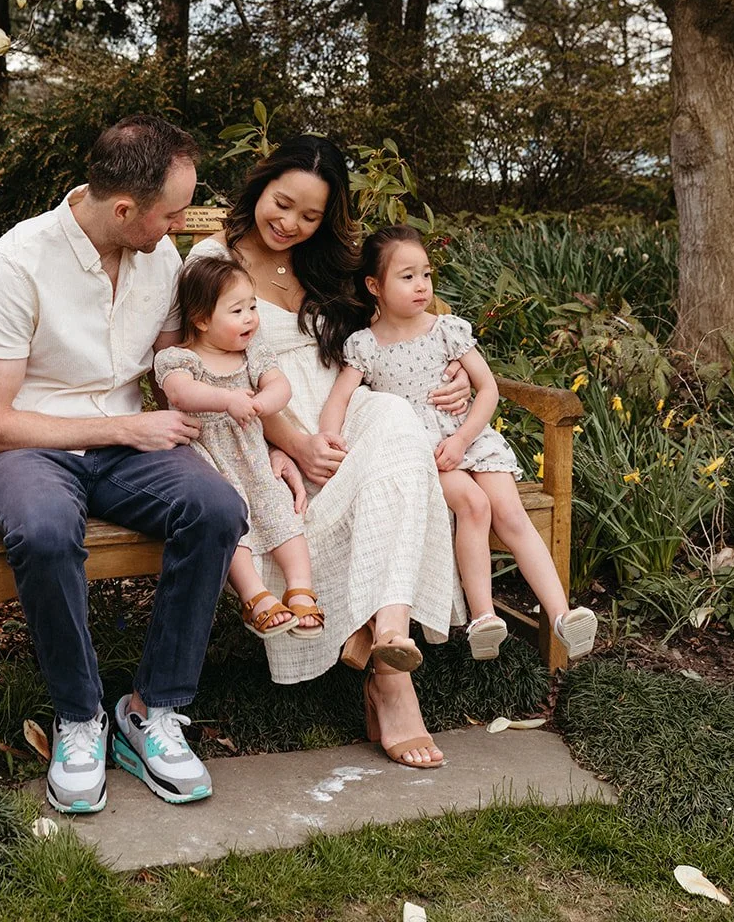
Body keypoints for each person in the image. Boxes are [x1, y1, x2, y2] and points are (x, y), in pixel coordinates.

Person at [0, 115, 248, 815]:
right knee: (46, 531)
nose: (179, 229)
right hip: (28, 446)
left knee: (217, 509)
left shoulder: (159, 258)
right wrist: (124, 424)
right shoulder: (20, 260)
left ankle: (150, 710)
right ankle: (79, 716)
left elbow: (176, 361)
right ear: (125, 210)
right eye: (172, 215)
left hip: (128, 448)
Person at [186, 136, 471, 770]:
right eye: (281, 204)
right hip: (263, 427)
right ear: (260, 187)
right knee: (359, 472)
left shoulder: (332, 265)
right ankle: (387, 676)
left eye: (310, 216)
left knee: (396, 419)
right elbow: (193, 368)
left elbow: (404, 333)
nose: (290, 224)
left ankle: (389, 636)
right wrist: (286, 442)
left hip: (344, 411)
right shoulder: (213, 260)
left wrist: (451, 376)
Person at [322, 226, 598, 663]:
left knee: (510, 512)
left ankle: (563, 615)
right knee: (474, 505)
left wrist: (463, 437)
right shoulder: (366, 345)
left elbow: (487, 389)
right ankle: (484, 618)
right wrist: (332, 441)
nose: (421, 286)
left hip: (468, 437)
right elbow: (338, 400)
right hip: (423, 452)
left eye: (426, 275)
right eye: (407, 276)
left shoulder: (446, 330)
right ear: (374, 286)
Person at [154, 255, 324, 642]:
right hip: (208, 461)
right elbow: (180, 391)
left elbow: (280, 385)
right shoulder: (179, 358)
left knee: (280, 511)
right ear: (200, 319)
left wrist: (263, 403)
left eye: (252, 307)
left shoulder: (253, 355)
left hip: (252, 455)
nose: (250, 317)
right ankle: (256, 597)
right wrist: (225, 399)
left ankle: (301, 589)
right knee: (232, 524)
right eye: (237, 310)